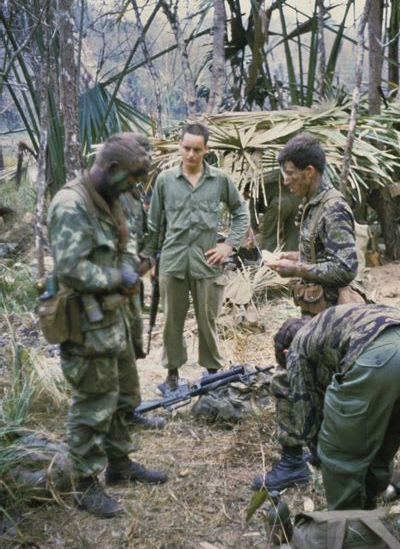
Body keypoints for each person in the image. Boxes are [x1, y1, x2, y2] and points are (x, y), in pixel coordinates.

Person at [47, 134, 168, 519]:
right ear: (111, 168)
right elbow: (71, 268)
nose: (136, 187)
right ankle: (84, 484)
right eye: (132, 178)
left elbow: (123, 245)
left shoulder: (115, 197)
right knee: (92, 403)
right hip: (85, 322)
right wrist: (118, 276)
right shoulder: (71, 204)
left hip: (113, 318)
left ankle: (119, 465)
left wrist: (134, 268)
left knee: (117, 396)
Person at [252, 304, 400, 511]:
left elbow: (306, 415)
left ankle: (348, 526)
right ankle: (370, 501)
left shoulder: (298, 348)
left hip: (379, 356)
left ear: (286, 353)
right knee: (387, 435)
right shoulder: (329, 326)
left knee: (338, 451)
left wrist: (323, 454)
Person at [145, 122, 250, 390]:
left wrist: (228, 245)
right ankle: (172, 375)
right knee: (172, 321)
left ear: (207, 149)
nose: (190, 155)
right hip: (172, 261)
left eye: (196, 149)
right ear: (179, 147)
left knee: (208, 320)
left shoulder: (220, 180)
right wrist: (149, 260)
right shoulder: (165, 180)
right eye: (186, 148)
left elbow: (241, 213)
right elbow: (154, 224)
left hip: (207, 261)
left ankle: (212, 373)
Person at [264, 133, 358, 312]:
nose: (285, 181)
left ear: (309, 171)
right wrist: (289, 257)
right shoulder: (312, 203)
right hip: (316, 310)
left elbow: (345, 269)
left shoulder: (333, 209)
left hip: (333, 313)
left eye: (290, 173)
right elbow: (320, 254)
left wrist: (295, 269)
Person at [110, 133, 166, 431]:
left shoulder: (134, 196)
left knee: (130, 348)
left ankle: (129, 410)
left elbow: (142, 236)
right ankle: (110, 414)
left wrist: (149, 262)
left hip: (132, 286)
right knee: (113, 350)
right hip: (109, 288)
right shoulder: (105, 195)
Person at [253, 170, 301, 253]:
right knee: (293, 234)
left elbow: (252, 221)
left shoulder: (252, 191)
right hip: (295, 199)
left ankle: (267, 260)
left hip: (279, 203)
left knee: (269, 235)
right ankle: (290, 259)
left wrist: (256, 233)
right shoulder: (271, 181)